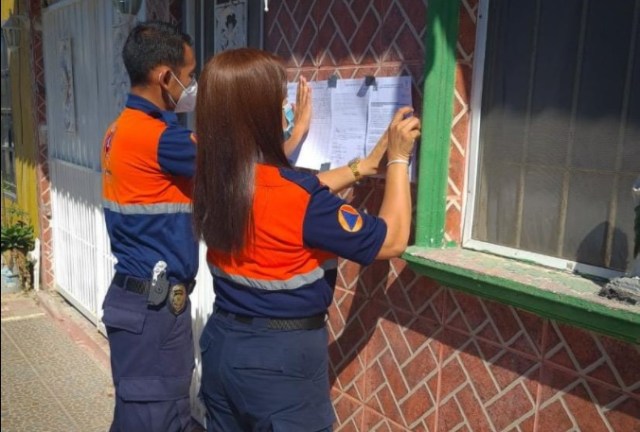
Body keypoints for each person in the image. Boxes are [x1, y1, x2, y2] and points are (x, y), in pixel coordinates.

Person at [193, 48, 420, 432]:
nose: (285, 106)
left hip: (223, 348)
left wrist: (360, 167)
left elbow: (282, 193)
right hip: (279, 366)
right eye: (278, 99)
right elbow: (392, 240)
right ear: (259, 114)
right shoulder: (297, 200)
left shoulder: (215, 179)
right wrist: (398, 159)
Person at [100, 21, 200, 432]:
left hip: (133, 301)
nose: (192, 86)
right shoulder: (159, 139)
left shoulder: (119, 128)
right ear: (165, 77)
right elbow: (240, 168)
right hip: (155, 311)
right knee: (159, 419)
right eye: (190, 75)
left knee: (138, 417)